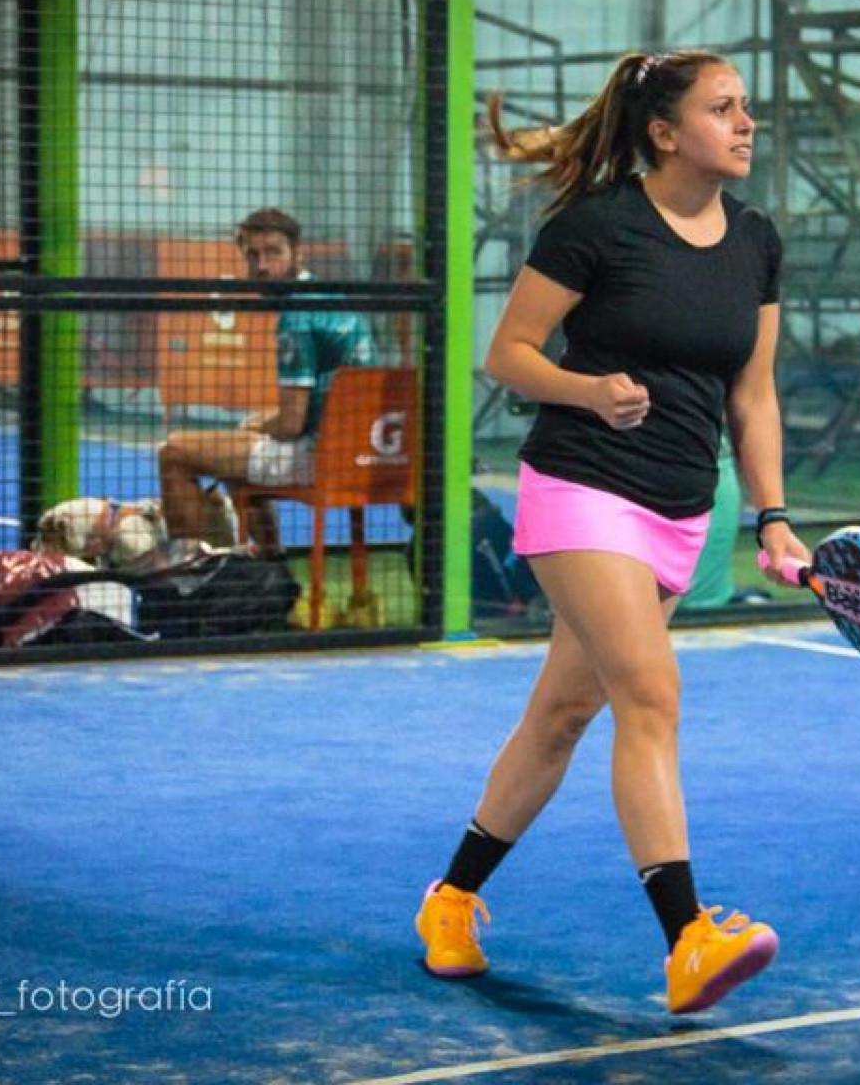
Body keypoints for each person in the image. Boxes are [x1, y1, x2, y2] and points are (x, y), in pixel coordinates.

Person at [414, 50, 811, 1015]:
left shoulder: (756, 239)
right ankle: (688, 939)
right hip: (582, 487)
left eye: (745, 107)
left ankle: (451, 898)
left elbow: (753, 395)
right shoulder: (596, 226)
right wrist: (586, 389)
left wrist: (773, 516)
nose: (746, 123)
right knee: (650, 692)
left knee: (561, 714)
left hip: (684, 505)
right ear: (665, 133)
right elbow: (508, 353)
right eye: (722, 108)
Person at [156, 207, 375, 562]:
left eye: (273, 252)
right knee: (238, 450)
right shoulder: (332, 299)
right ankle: (270, 564)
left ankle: (190, 574)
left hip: (323, 457)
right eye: (252, 255)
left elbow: (290, 425)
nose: (262, 266)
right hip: (362, 451)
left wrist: (259, 426)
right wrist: (259, 424)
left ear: (297, 253)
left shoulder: (296, 318)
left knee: (174, 451)